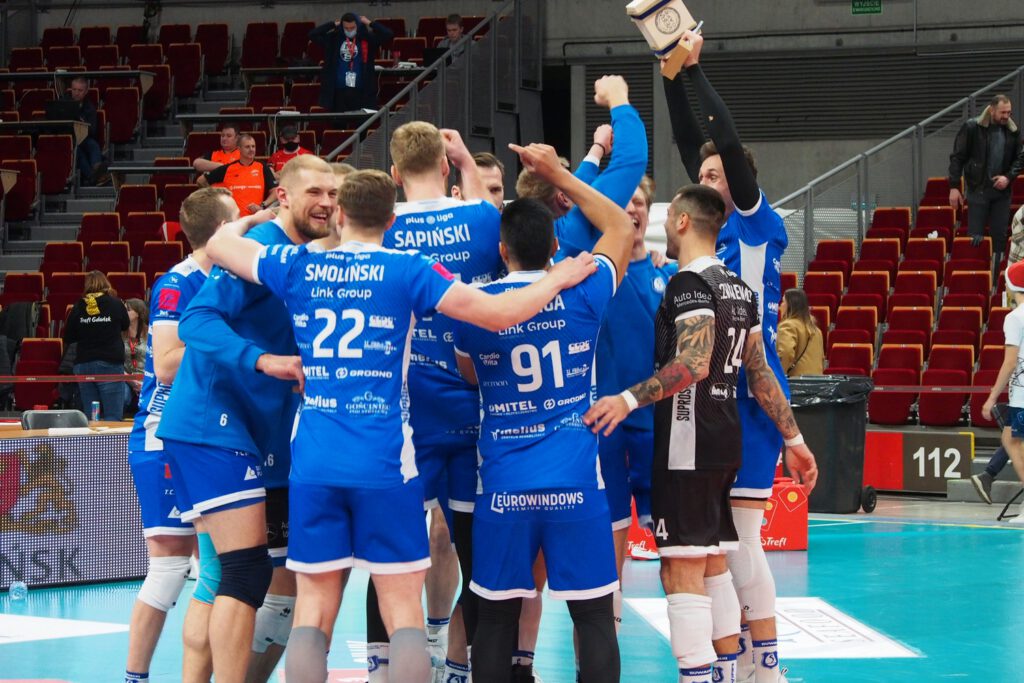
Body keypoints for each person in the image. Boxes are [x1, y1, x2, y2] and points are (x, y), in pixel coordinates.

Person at [201, 168, 598, 683]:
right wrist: (558, 278)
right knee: (404, 609)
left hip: (316, 459)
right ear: (391, 220)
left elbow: (218, 244)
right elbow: (499, 314)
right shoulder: (409, 268)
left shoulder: (298, 264)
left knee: (313, 611)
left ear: (339, 214)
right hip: (385, 458)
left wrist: (253, 219)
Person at [585, 184, 818, 683]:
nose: (665, 228)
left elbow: (693, 362)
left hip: (687, 440)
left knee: (680, 570)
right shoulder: (739, 288)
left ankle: (697, 676)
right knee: (713, 564)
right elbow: (760, 372)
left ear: (684, 222)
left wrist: (627, 399)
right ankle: (727, 673)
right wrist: (794, 439)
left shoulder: (687, 284)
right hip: (726, 440)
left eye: (669, 217)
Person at [452, 140, 633, 683]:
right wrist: (560, 175)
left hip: (503, 483)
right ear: (556, 244)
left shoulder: (476, 307)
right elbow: (620, 227)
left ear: (502, 250)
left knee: (496, 619)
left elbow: (469, 375)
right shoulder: (586, 290)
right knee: (593, 616)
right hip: (575, 479)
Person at [156, 155, 339, 683]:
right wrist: (264, 361)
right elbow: (195, 321)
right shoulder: (260, 249)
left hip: (255, 432)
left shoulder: (305, 255)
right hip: (211, 422)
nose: (326, 202)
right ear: (283, 196)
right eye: (314, 192)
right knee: (241, 569)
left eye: (333, 193)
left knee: (241, 573)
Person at [662, 30, 799, 683]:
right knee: (713, 546)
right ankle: (731, 664)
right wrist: (669, 75)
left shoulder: (755, 222)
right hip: (712, 400)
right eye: (702, 177)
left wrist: (695, 71)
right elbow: (693, 143)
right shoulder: (709, 229)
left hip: (749, 396)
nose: (706, 179)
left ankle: (764, 669)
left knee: (740, 544)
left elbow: (726, 145)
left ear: (741, 182)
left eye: (718, 175)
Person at [376, 121, 501, 683]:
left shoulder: (382, 228)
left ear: (394, 174)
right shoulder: (483, 219)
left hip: (406, 415)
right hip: (474, 407)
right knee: (475, 553)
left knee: (390, 561)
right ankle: (458, 665)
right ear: (446, 166)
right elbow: (486, 214)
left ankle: (383, 669)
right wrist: (470, 163)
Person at [124, 187, 238, 683]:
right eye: (240, 219)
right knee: (170, 569)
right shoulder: (178, 282)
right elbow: (167, 366)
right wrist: (233, 342)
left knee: (221, 571)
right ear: (222, 229)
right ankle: (135, 677)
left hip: (212, 435)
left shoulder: (233, 277)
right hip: (164, 435)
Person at [949, 94, 1024, 257]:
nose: (1006, 116)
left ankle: (996, 272)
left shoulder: (1013, 131)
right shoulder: (971, 127)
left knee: (999, 239)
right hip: (978, 191)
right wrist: (954, 187)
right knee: (975, 239)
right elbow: (957, 157)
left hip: (1002, 194)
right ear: (991, 110)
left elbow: (1021, 158)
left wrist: (1008, 177)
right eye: (1002, 112)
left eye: (1009, 112)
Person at [982, 260, 1024, 524]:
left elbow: (1010, 362)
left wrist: (992, 397)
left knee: (1013, 442)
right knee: (1012, 439)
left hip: (1022, 395)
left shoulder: (1015, 318)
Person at [63, 271, 129, 421]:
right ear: (106, 284)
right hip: (110, 364)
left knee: (91, 416)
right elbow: (125, 325)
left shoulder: (78, 306)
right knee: (113, 415)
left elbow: (69, 337)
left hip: (84, 364)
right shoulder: (115, 303)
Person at [309, 13, 394, 113]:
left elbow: (388, 34)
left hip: (361, 91)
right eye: (346, 28)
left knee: (361, 122)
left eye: (352, 28)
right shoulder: (333, 39)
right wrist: (333, 24)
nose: (349, 30)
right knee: (339, 121)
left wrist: (369, 23)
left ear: (358, 25)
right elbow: (312, 34)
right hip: (338, 93)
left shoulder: (367, 38)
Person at [197, 133, 277, 217]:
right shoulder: (228, 168)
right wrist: (215, 198)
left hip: (256, 218)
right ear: (239, 149)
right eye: (247, 147)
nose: (251, 149)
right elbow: (201, 181)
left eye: (253, 146)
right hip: (234, 219)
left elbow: (275, 191)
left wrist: (263, 205)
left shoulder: (262, 167)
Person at [65, 76, 107, 186]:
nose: (76, 93)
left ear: (86, 92)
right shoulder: (63, 103)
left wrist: (82, 122)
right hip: (68, 139)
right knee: (76, 150)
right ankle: (95, 177)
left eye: (80, 90)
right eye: (74, 89)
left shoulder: (89, 108)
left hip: (84, 138)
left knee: (93, 145)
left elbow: (92, 131)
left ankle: (97, 170)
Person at [776, 289, 824, 378]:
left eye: (783, 302)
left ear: (790, 305)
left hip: (795, 382)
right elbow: (821, 359)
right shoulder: (817, 331)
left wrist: (779, 376)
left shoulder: (787, 326)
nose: (780, 305)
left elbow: (786, 353)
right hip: (817, 382)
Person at [123, 298, 148, 412]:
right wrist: (131, 381)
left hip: (146, 378)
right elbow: (116, 363)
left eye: (127, 310)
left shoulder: (150, 333)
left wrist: (142, 382)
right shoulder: (119, 334)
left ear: (138, 313)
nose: (124, 313)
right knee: (123, 397)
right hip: (125, 379)